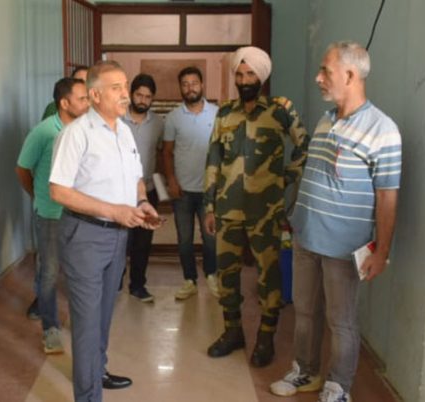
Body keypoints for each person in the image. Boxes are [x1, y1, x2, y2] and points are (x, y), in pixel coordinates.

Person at [269, 41, 401, 402]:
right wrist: (295, 219)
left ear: (350, 74)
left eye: (325, 70)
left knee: (341, 322)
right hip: (306, 238)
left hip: (345, 247)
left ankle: (339, 385)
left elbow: (387, 196)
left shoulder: (382, 129)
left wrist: (382, 251)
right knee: (306, 312)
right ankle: (305, 372)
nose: (318, 77)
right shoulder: (327, 120)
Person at [49, 60, 163, 402]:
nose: (125, 94)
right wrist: (114, 210)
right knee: (86, 324)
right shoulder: (76, 134)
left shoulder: (124, 131)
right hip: (85, 236)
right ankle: (88, 396)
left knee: (102, 317)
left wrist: (141, 202)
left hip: (118, 236)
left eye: (125, 86)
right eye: (117, 88)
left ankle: (96, 373)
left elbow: (136, 178)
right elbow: (59, 191)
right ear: (95, 94)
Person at [204, 46, 310, 368]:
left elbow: (305, 146)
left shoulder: (280, 110)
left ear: (261, 76)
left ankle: (266, 338)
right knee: (227, 274)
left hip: (265, 212)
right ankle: (232, 332)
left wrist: (285, 178)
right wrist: (209, 205)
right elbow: (213, 159)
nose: (244, 79)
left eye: (250, 74)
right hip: (227, 209)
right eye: (239, 73)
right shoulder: (224, 113)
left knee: (268, 275)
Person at [15, 77, 89, 353]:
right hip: (50, 215)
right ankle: (50, 328)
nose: (88, 103)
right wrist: (38, 196)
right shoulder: (44, 132)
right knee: (48, 272)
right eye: (82, 99)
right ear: (64, 102)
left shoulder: (86, 131)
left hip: (80, 214)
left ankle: (80, 321)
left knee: (78, 271)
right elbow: (22, 169)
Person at [163, 66, 219, 300]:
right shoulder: (173, 117)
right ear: (181, 88)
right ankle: (189, 280)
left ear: (202, 84)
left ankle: (212, 276)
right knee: (184, 238)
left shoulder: (217, 113)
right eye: (185, 84)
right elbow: (166, 153)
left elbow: (222, 151)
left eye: (194, 83)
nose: (190, 88)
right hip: (183, 190)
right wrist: (171, 181)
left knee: (210, 237)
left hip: (209, 191)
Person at [122, 73, 165, 302]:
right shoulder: (117, 120)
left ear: (152, 99)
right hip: (118, 192)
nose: (142, 100)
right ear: (131, 94)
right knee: (120, 241)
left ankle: (138, 285)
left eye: (147, 97)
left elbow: (160, 153)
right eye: (139, 95)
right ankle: (115, 283)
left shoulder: (158, 123)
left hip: (147, 191)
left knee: (143, 242)